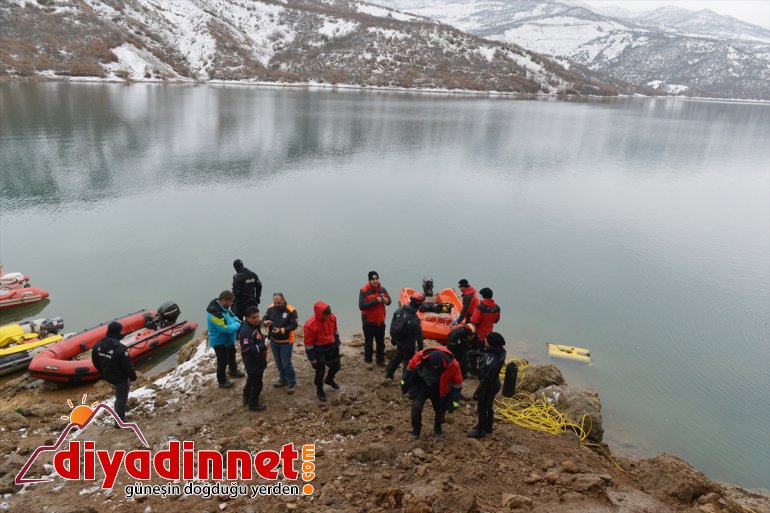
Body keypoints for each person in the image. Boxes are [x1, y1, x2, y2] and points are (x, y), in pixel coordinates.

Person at [401, 345, 463, 439]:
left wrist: (455, 401)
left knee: (440, 410)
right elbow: (409, 368)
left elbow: (457, 383)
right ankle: (416, 429)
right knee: (416, 407)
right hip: (423, 385)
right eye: (433, 365)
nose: (435, 367)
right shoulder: (420, 356)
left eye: (437, 366)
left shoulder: (453, 365)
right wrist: (404, 381)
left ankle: (438, 427)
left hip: (439, 388)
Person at [92, 321, 137, 423]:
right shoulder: (120, 349)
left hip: (107, 375)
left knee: (119, 395)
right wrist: (133, 377)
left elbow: (95, 362)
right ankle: (119, 420)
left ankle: (119, 407)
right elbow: (128, 366)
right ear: (118, 332)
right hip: (120, 378)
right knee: (122, 397)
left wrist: (102, 373)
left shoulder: (97, 346)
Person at [468, 332, 507, 438]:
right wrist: (478, 354)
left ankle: (480, 430)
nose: (485, 340)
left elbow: (485, 380)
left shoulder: (493, 362)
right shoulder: (501, 352)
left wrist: (477, 392)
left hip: (488, 387)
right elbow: (489, 355)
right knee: (489, 406)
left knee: (482, 408)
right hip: (495, 383)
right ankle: (488, 427)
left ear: (491, 343)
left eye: (487, 340)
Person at [303, 301, 342, 402]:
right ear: (319, 313)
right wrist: (312, 358)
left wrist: (337, 343)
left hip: (331, 347)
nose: (326, 317)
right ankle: (319, 389)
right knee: (320, 372)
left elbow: (335, 331)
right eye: (325, 315)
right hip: (319, 350)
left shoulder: (332, 318)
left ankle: (329, 379)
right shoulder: (310, 325)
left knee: (337, 366)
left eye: (328, 315)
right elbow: (308, 344)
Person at [207, 290, 244, 389]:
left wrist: (235, 322)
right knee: (222, 362)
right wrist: (237, 324)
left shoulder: (225, 308)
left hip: (228, 340)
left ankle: (233, 370)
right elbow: (225, 329)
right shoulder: (214, 315)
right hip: (220, 342)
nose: (232, 304)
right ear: (224, 300)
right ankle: (222, 381)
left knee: (232, 356)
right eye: (231, 302)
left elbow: (233, 316)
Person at [263, 293, 299, 393]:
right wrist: (265, 323)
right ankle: (283, 379)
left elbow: (294, 325)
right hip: (274, 341)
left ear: (283, 300)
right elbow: (264, 318)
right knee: (278, 362)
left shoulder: (291, 310)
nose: (277, 304)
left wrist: (282, 330)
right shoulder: (270, 308)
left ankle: (292, 383)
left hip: (286, 341)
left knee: (286, 363)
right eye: (275, 303)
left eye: (279, 303)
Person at [385, 292, 424, 380]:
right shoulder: (415, 320)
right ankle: (404, 382)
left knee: (397, 357)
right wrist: (421, 350)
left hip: (399, 341)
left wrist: (393, 340)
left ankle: (389, 374)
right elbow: (419, 337)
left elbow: (392, 326)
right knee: (408, 363)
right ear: (419, 305)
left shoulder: (398, 311)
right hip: (409, 345)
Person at [358, 271, 392, 369]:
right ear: (369, 280)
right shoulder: (364, 290)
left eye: (377, 279)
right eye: (373, 279)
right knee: (368, 342)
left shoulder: (382, 289)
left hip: (380, 321)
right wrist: (375, 301)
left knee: (380, 342)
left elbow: (390, 301)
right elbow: (362, 306)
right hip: (368, 322)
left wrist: (387, 301)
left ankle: (380, 360)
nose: (375, 281)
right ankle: (368, 361)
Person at [238, 306, 269, 411]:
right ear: (247, 318)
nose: (256, 319)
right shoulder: (246, 331)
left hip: (258, 359)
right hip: (253, 361)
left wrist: (264, 323)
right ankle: (253, 404)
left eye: (257, 316)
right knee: (257, 384)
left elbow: (259, 323)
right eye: (253, 317)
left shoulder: (253, 325)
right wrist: (264, 346)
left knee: (251, 380)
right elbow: (247, 349)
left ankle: (246, 397)